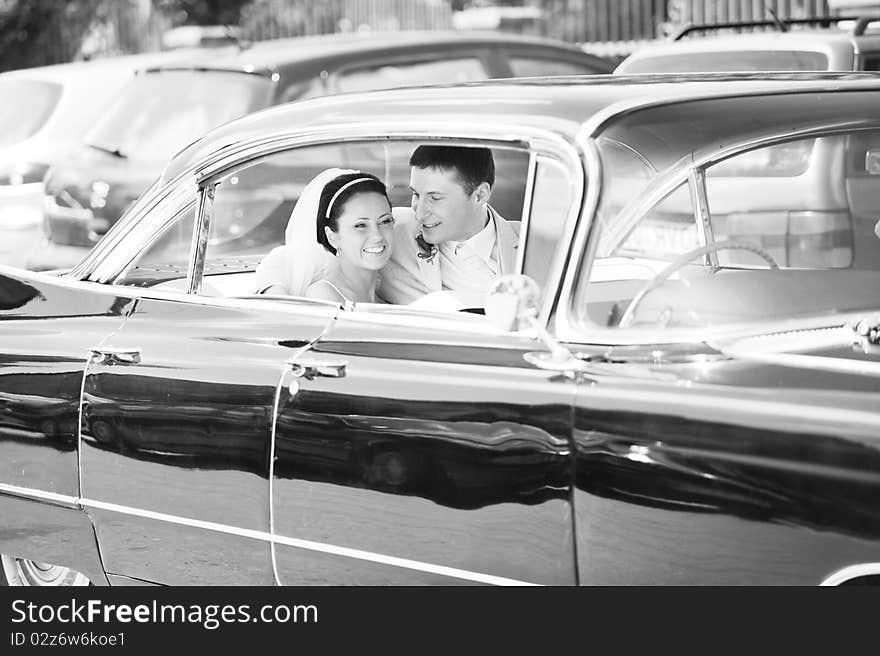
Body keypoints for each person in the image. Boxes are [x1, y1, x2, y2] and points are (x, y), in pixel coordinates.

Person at [378, 145, 519, 307]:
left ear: (480, 195)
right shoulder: (391, 230)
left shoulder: (536, 244)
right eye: (416, 194)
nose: (420, 213)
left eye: (435, 198)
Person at [254, 168, 394, 306]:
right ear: (332, 236)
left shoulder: (390, 293)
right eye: (361, 225)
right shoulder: (325, 296)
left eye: (385, 221)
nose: (377, 236)